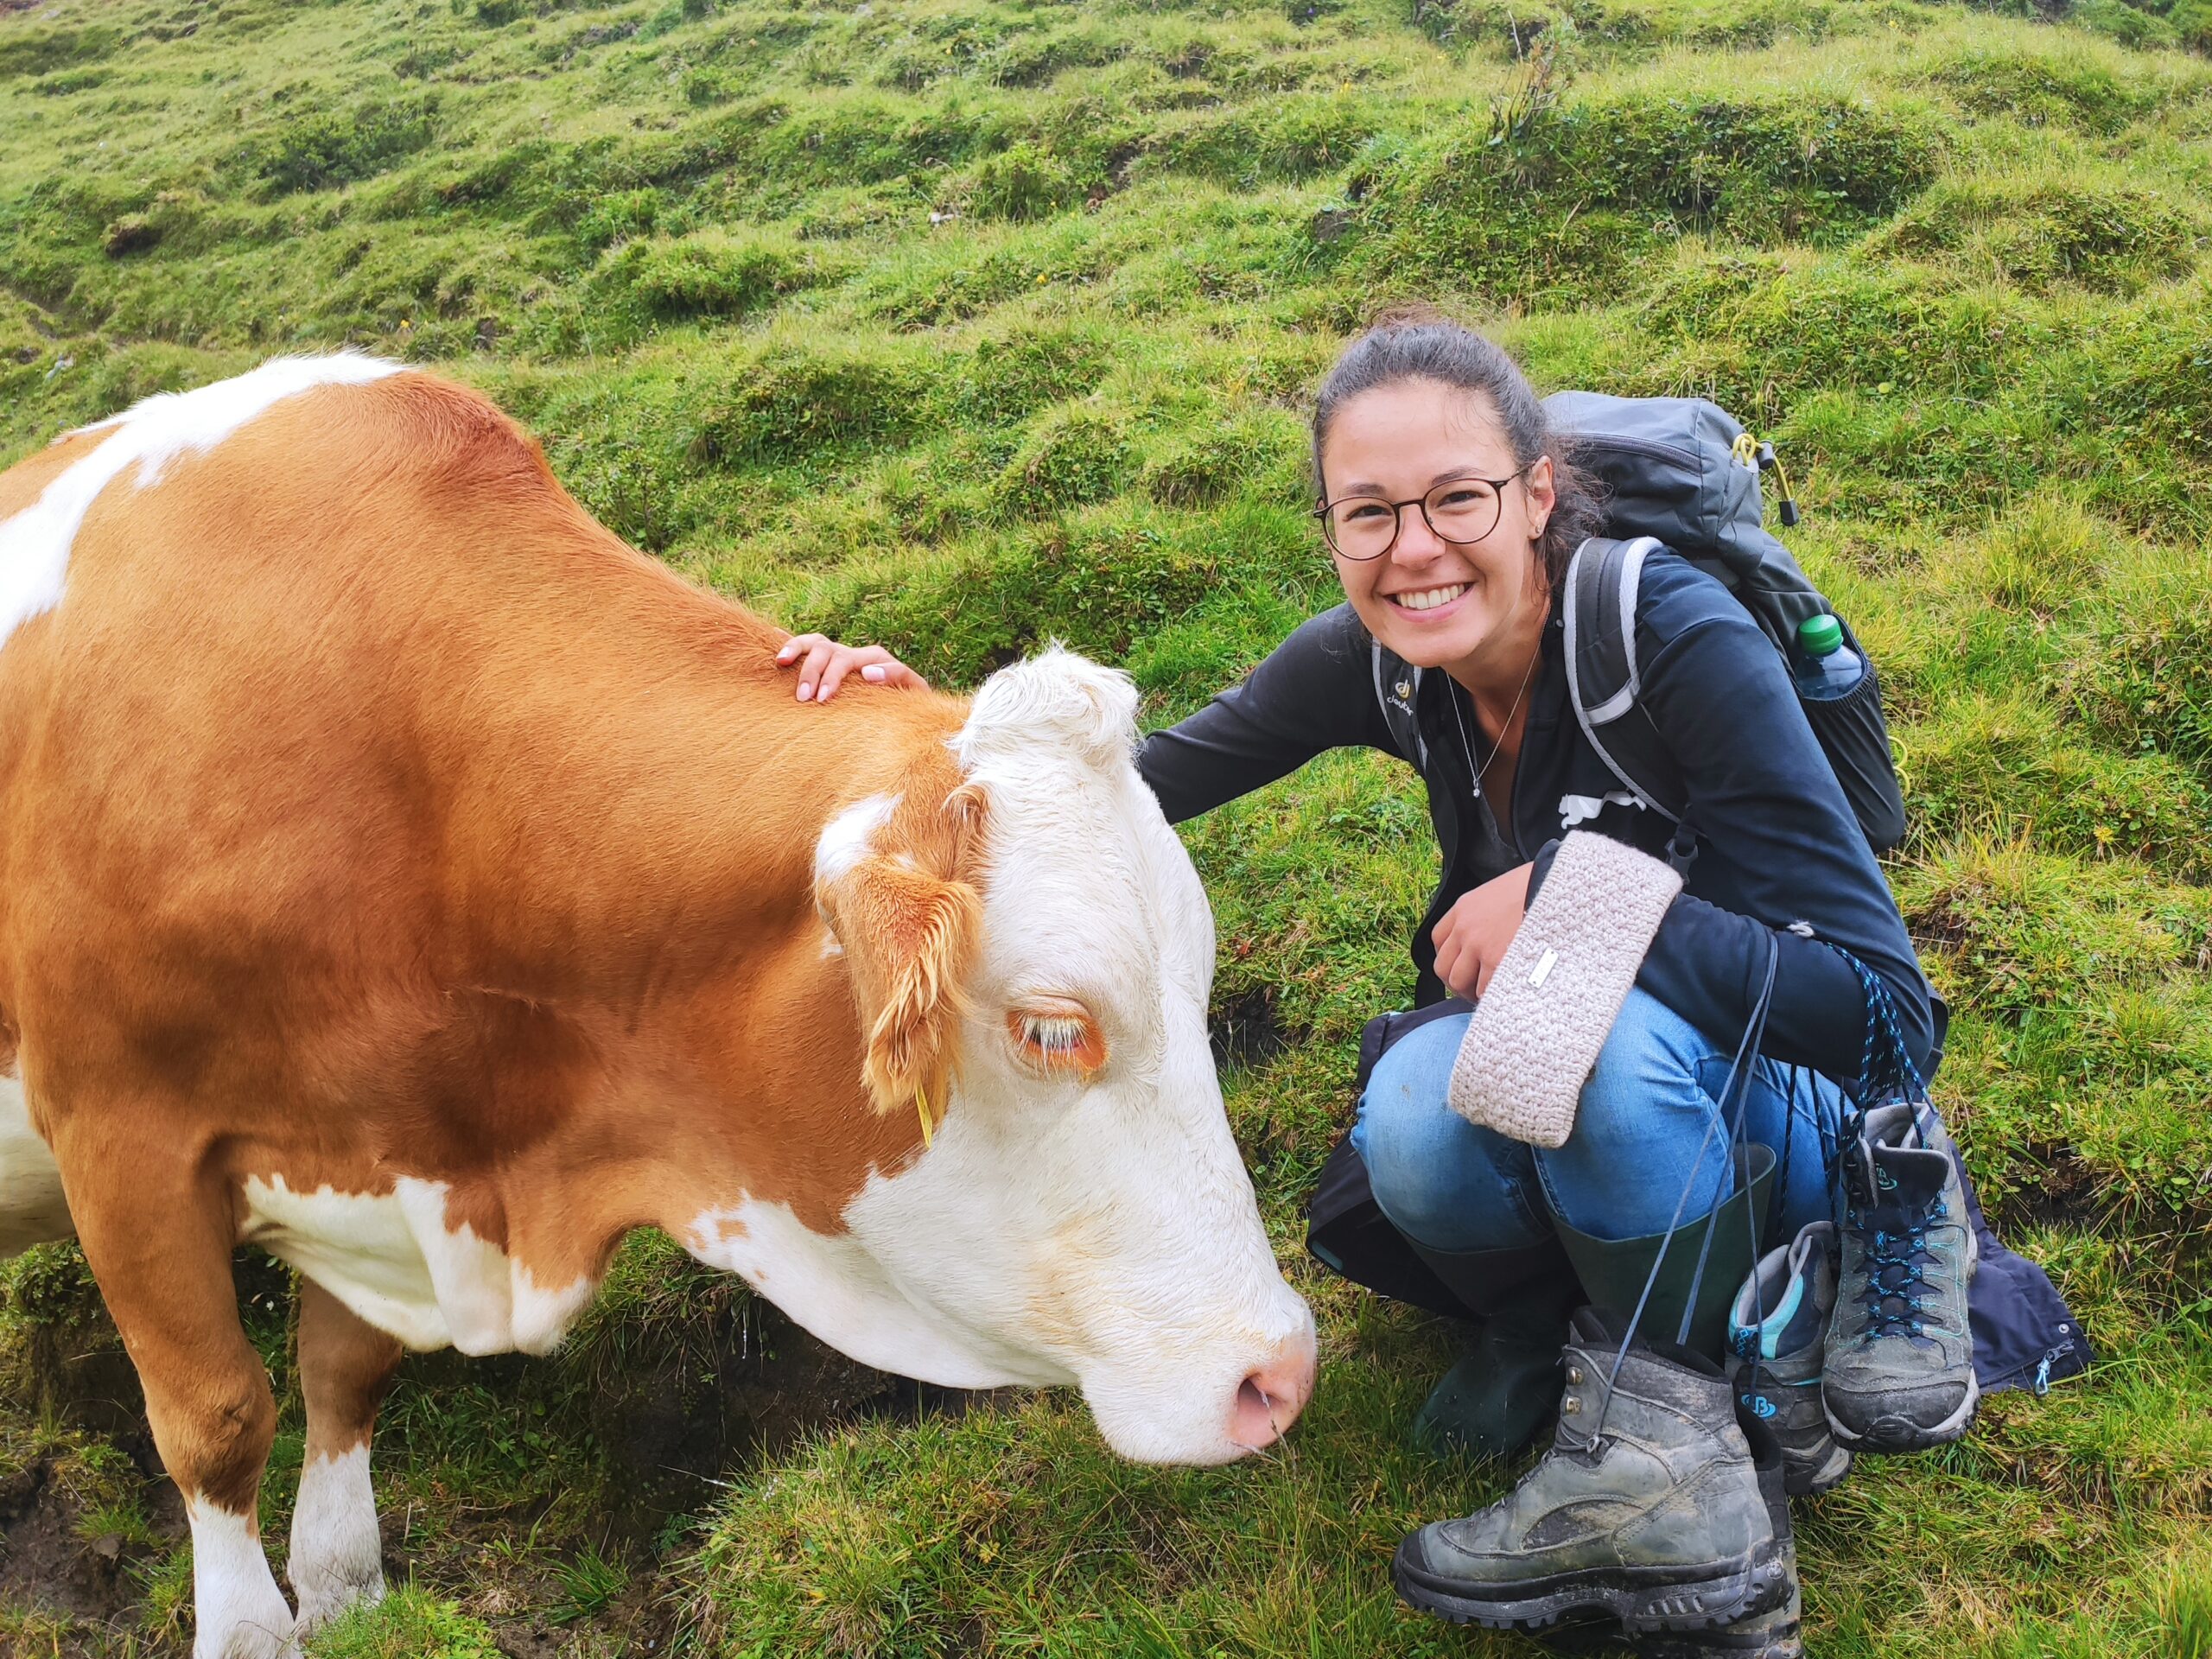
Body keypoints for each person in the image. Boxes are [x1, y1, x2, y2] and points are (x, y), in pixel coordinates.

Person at [773, 312, 1991, 1655]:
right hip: (1595, 1094)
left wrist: (1589, 896)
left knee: (1591, 1045)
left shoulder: (1677, 641)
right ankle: (1560, 1332)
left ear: (1535, 494)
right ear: (1333, 528)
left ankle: (1695, 1433)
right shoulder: (1377, 660)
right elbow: (1122, 792)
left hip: (1776, 1112)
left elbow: (1887, 1021)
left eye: (1457, 497)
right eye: (1368, 514)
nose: (1414, 549)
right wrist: (912, 733)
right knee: (1415, 1107)